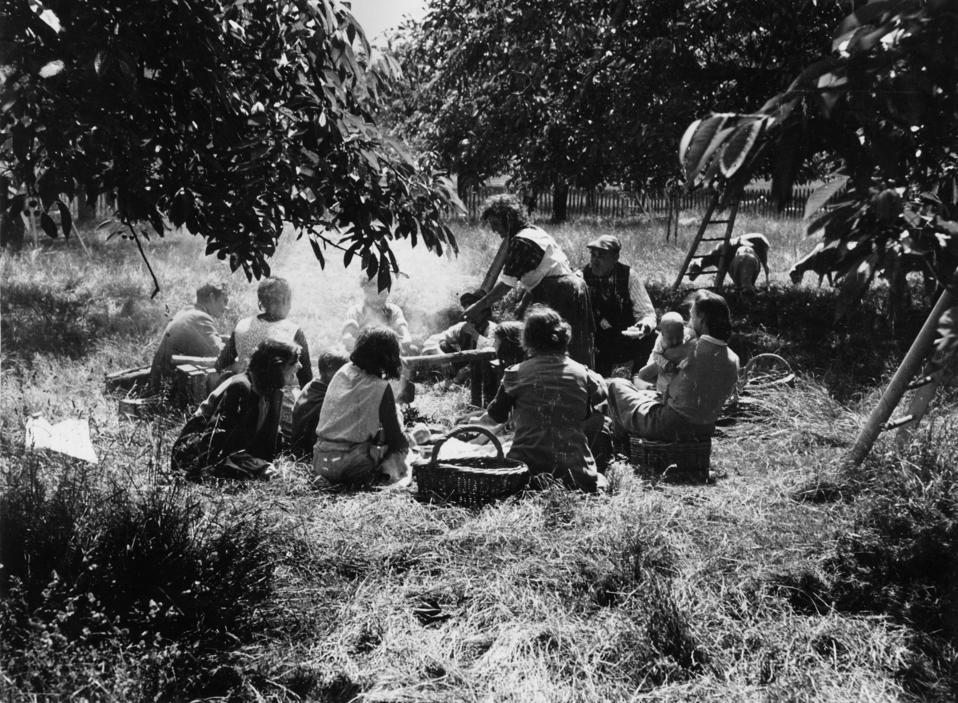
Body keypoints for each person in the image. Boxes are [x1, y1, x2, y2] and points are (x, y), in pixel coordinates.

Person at [472, 305, 608, 492]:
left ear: (527, 340)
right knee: (600, 421)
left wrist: (475, 421)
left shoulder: (515, 374)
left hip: (525, 474)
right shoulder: (584, 374)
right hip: (574, 474)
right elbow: (602, 394)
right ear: (563, 336)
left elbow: (495, 418)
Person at [463, 194, 595, 366]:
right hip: (571, 286)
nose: (494, 230)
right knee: (574, 342)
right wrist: (524, 304)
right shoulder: (535, 232)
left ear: (508, 219)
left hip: (561, 291)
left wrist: (477, 307)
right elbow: (538, 274)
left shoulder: (522, 241)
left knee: (556, 343)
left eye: (496, 224)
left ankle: (561, 383)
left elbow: (505, 286)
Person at [606, 291, 739, 442]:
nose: (689, 322)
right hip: (705, 429)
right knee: (646, 395)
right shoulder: (734, 359)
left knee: (616, 385)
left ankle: (619, 447)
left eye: (692, 315)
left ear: (701, 319)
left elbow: (644, 375)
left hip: (670, 426)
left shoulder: (690, 348)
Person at [170, 339, 302, 480]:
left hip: (230, 453)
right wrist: (256, 466)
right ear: (277, 367)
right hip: (195, 456)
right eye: (294, 362)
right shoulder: (241, 387)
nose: (299, 366)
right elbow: (214, 444)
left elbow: (271, 439)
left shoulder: (272, 390)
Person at [313, 327, 411, 486]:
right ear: (387, 356)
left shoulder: (342, 372)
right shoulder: (380, 386)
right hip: (353, 465)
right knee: (400, 452)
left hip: (321, 460)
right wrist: (407, 442)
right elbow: (396, 438)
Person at [580, 234, 658, 377]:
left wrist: (643, 326)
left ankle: (638, 379)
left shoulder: (628, 276)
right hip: (596, 342)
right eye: (593, 255)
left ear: (615, 258)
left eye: (601, 256)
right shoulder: (581, 277)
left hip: (625, 338)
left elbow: (647, 313)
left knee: (652, 337)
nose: (595, 261)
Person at [216, 277, 312, 388]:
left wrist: (244, 366)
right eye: (289, 301)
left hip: (245, 395)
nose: (290, 307)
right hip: (279, 400)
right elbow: (306, 378)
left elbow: (220, 365)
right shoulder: (293, 331)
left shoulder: (242, 326)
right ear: (285, 300)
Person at [149, 282, 228, 394]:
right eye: (225, 301)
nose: (226, 307)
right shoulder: (200, 317)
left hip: (161, 385)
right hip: (169, 392)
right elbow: (220, 354)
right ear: (212, 297)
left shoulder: (189, 311)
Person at [289, 351, 350, 458]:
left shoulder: (312, 385)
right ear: (329, 372)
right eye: (342, 373)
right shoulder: (326, 396)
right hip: (309, 453)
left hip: (299, 448)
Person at [342, 274, 413, 353]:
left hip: (389, 354)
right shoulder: (356, 311)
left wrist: (406, 339)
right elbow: (347, 337)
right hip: (364, 355)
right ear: (365, 290)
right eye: (376, 294)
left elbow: (404, 332)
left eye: (383, 294)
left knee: (413, 350)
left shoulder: (393, 310)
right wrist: (354, 344)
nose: (379, 299)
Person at [636, 312, 690, 398]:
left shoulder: (688, 332)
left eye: (679, 337)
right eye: (670, 338)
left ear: (683, 329)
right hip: (663, 370)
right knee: (663, 386)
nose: (675, 341)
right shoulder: (661, 343)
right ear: (662, 334)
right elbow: (656, 355)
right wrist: (665, 363)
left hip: (679, 372)